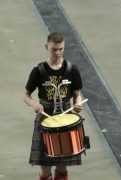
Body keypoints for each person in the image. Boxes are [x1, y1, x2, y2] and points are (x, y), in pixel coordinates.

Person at [24, 32, 84, 180]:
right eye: (54, 49)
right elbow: (25, 95)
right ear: (47, 47)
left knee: (62, 169)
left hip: (65, 120)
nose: (57, 53)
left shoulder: (71, 70)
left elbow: (77, 93)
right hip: (44, 120)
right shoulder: (39, 71)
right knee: (45, 172)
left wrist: (77, 103)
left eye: (61, 49)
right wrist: (34, 104)